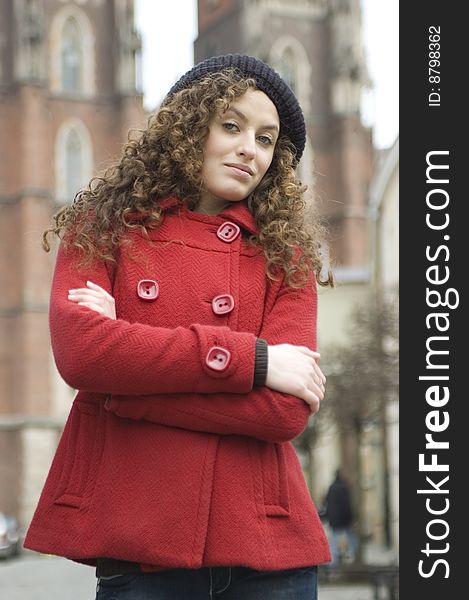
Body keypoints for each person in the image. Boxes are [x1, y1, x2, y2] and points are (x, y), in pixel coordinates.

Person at [24, 54, 334, 599]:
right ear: (189, 127)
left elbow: (285, 411)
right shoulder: (103, 228)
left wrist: (127, 390)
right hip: (144, 547)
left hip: (268, 552)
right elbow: (81, 356)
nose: (249, 149)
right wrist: (256, 362)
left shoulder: (287, 255)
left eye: (266, 139)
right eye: (232, 126)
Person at [323, 469, 358, 566]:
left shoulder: (331, 487)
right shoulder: (344, 488)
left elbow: (326, 502)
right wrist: (351, 518)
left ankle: (332, 562)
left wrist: (328, 516)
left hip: (334, 520)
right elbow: (347, 505)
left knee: (334, 540)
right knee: (351, 539)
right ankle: (353, 557)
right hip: (344, 519)